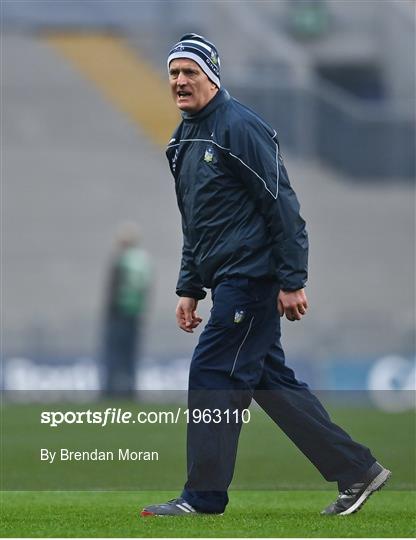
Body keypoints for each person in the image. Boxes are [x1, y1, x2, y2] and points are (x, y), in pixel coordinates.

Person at [141, 34, 390, 517]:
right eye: (173, 73)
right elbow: (197, 222)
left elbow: (284, 206)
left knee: (213, 372)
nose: (179, 81)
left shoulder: (240, 127)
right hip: (226, 280)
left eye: (189, 71)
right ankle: (356, 470)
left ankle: (202, 499)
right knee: (271, 385)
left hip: (251, 280)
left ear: (212, 76)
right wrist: (189, 287)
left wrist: (293, 278)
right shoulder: (181, 140)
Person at [102, 222, 151, 397]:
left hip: (117, 314)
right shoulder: (143, 261)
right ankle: (130, 391)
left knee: (114, 355)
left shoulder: (122, 260)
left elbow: (113, 289)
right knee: (131, 355)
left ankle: (111, 390)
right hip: (135, 315)